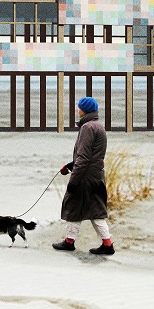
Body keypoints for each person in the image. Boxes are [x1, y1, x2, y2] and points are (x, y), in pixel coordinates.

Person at [53, 96, 114, 255]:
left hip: (85, 178)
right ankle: (107, 244)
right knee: (96, 210)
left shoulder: (87, 128)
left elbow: (84, 157)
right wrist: (70, 165)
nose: (77, 109)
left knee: (73, 207)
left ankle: (69, 242)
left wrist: (73, 181)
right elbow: (92, 156)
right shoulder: (99, 126)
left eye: (79, 107)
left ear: (84, 109)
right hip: (96, 175)